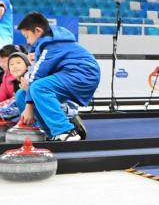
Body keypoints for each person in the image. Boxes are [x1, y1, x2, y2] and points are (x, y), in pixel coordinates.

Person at [15, 12, 101, 141]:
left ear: (38, 31)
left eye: (27, 36)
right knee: (22, 93)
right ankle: (49, 133)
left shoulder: (51, 45)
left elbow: (37, 76)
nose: (27, 41)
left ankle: (66, 131)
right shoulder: (45, 45)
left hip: (84, 73)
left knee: (38, 87)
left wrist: (28, 107)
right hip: (70, 73)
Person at [0, 51, 31, 125]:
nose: (15, 66)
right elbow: (14, 100)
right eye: (11, 64)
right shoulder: (19, 81)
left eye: (18, 63)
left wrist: (0, 112)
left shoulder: (29, 79)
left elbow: (21, 102)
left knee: (20, 94)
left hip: (40, 116)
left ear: (27, 65)